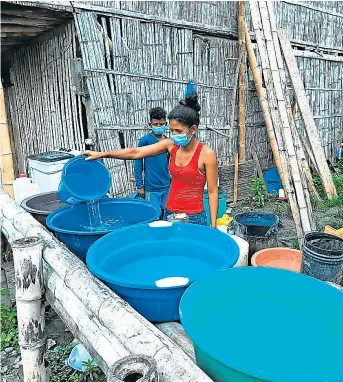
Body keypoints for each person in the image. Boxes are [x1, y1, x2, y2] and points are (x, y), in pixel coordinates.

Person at [84, 81, 218, 228]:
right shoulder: (171, 145)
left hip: (194, 217)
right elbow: (136, 153)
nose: (173, 135)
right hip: (170, 212)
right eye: (172, 131)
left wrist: (213, 225)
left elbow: (212, 192)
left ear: (193, 130)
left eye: (178, 131)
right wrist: (103, 154)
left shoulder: (206, 155)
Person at [134, 107, 171, 215]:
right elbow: (138, 164)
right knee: (154, 215)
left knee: (168, 215)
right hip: (151, 188)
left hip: (166, 186)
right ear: (150, 125)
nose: (158, 127)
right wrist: (140, 186)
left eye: (161, 124)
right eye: (155, 124)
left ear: (166, 124)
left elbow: (170, 163)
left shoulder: (169, 141)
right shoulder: (145, 141)